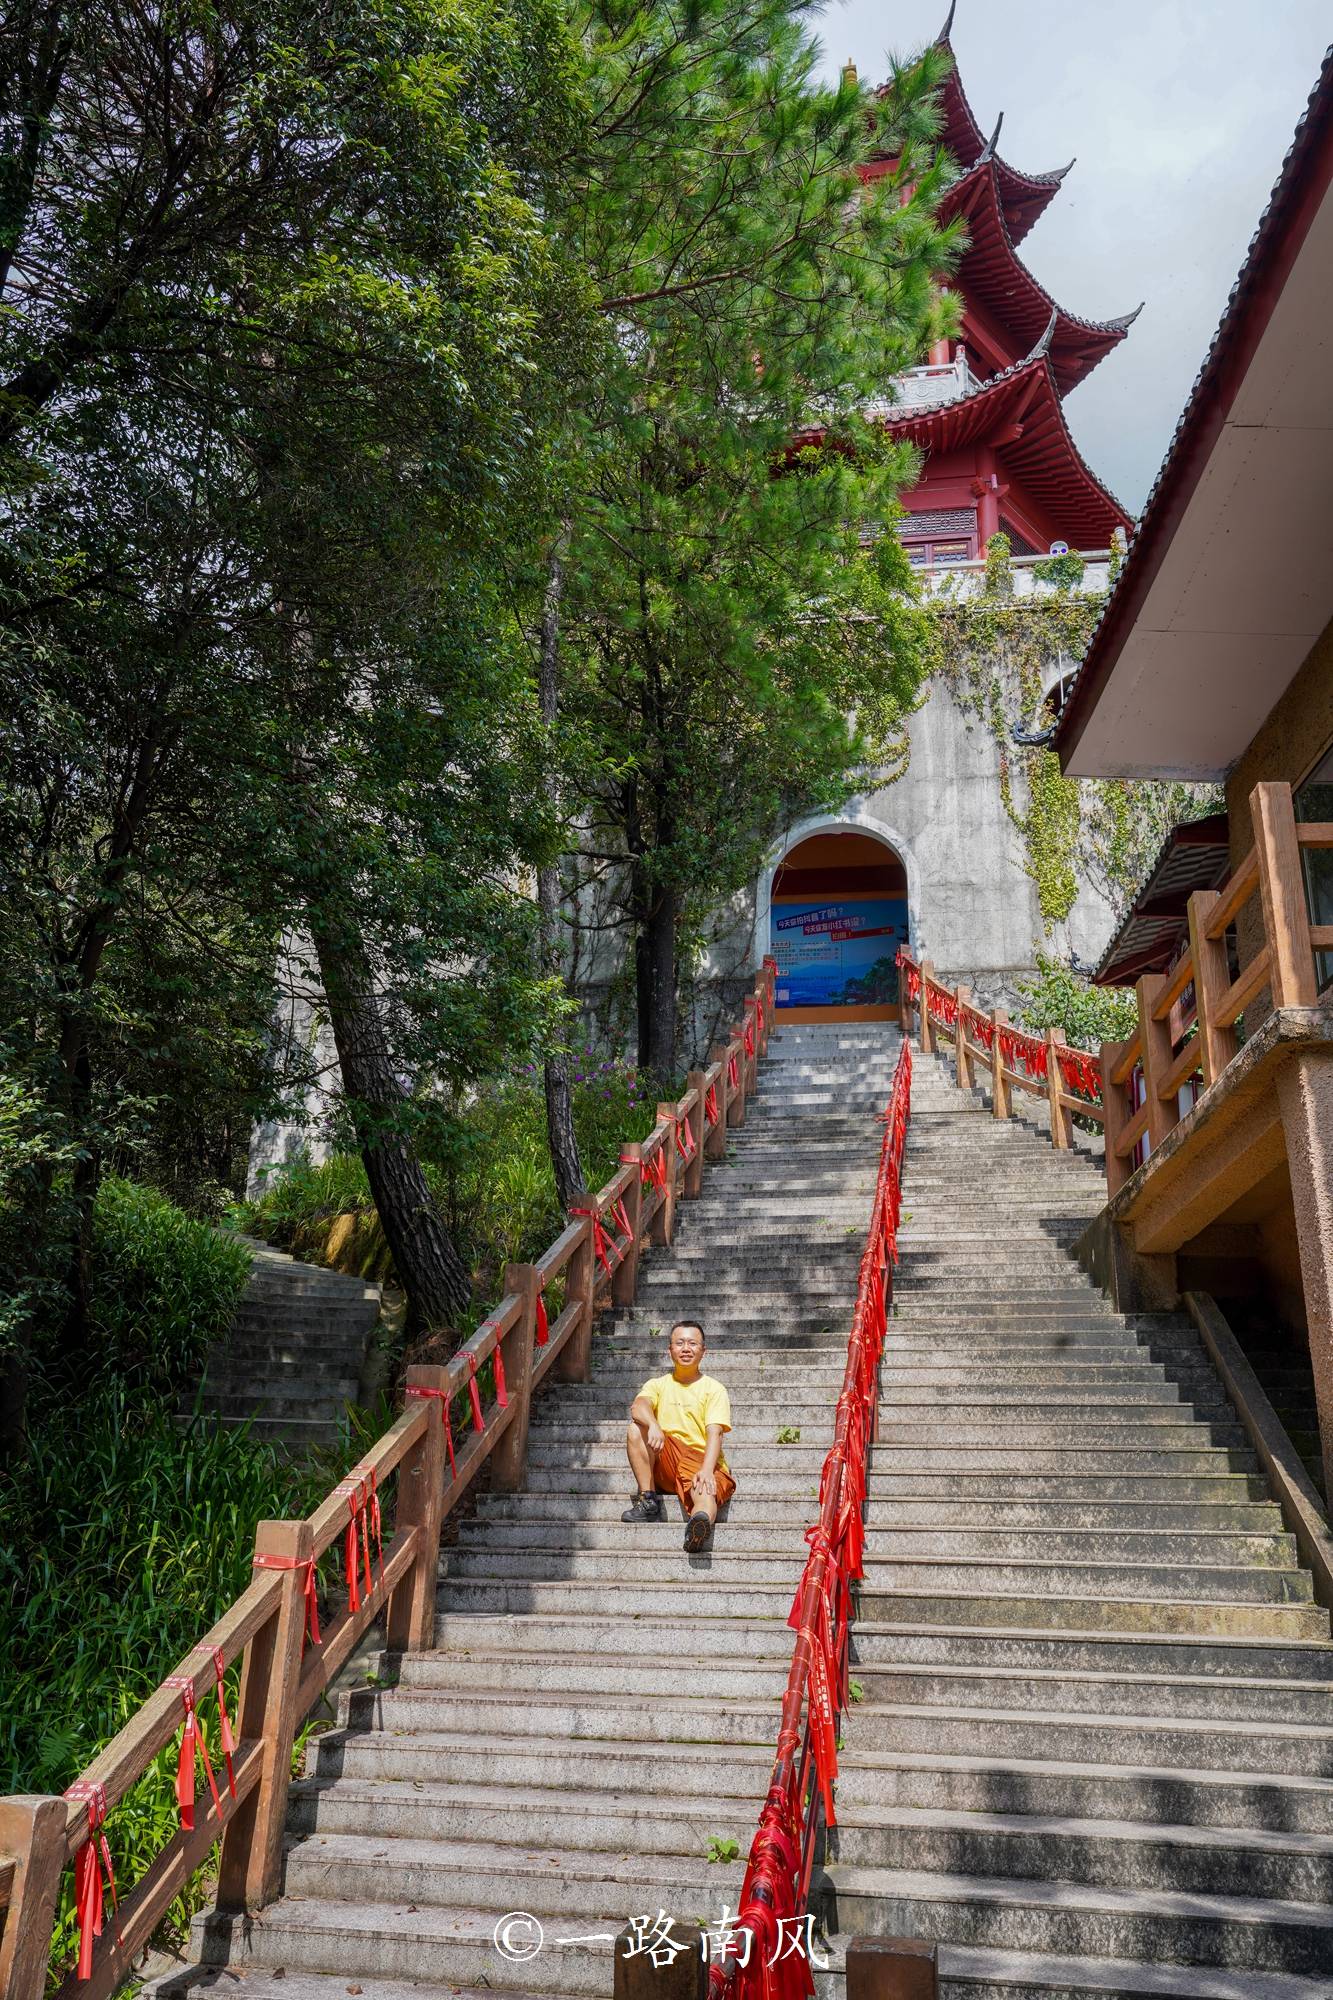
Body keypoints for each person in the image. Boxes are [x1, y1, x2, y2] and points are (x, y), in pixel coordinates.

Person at [623, 1319, 735, 1551]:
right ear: (670, 1350)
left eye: (693, 1343)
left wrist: (706, 1469)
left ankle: (699, 1523)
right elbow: (639, 1406)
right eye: (680, 1343)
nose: (686, 1348)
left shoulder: (714, 1388)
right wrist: (653, 1424)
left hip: (701, 1460)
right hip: (668, 1459)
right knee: (636, 1428)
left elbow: (715, 1433)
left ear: (704, 1351)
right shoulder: (658, 1384)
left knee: (704, 1490)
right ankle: (648, 1500)